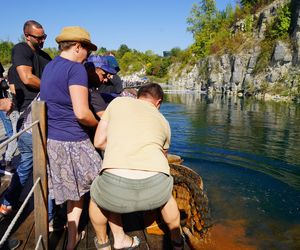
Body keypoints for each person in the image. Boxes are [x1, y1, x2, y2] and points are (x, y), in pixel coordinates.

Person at [89, 83, 184, 250]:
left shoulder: (118, 103)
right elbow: (163, 156)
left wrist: (120, 147)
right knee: (168, 198)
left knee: (96, 198)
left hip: (114, 188)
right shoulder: (163, 121)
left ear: (139, 95)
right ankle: (177, 241)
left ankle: (103, 244)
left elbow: (98, 142)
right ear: (158, 102)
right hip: (155, 192)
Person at [40, 26, 102, 250]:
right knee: (103, 183)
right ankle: (108, 236)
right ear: (77, 46)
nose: (88, 55)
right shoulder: (76, 70)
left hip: (53, 141)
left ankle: (72, 240)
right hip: (74, 141)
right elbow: (81, 113)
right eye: (87, 50)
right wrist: (101, 126)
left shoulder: (49, 67)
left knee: (73, 194)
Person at [0, 20, 51, 221]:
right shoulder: (21, 49)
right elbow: (27, 78)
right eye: (38, 37)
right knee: (37, 163)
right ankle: (48, 216)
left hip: (47, 112)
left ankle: (9, 201)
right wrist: (52, 88)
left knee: (31, 163)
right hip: (30, 116)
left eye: (44, 36)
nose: (42, 40)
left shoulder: (45, 56)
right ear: (27, 36)